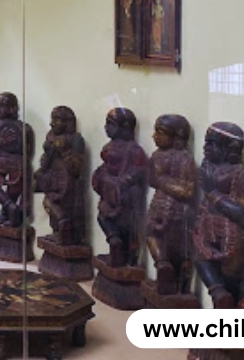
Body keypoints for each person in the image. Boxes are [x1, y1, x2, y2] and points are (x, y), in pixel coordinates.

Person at [194, 122, 244, 309]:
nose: (206, 147)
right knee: (202, 262)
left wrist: (213, 193)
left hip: (231, 235)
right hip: (208, 231)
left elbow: (242, 213)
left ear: (231, 149)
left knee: (233, 281)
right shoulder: (207, 169)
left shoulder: (243, 176)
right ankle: (219, 294)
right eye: (206, 142)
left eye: (212, 143)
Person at [146, 114, 196, 295]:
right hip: (160, 205)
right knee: (152, 236)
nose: (154, 136)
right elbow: (151, 180)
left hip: (177, 209)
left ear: (177, 136)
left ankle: (175, 280)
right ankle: (163, 266)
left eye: (160, 132)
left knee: (177, 248)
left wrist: (162, 180)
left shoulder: (184, 158)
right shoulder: (157, 156)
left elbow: (187, 191)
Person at [90, 108, 147, 267]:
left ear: (125, 127)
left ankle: (121, 250)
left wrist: (123, 181)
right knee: (107, 219)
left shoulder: (134, 149)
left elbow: (140, 171)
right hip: (112, 192)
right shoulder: (113, 147)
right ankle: (117, 246)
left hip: (125, 194)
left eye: (110, 124)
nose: (106, 127)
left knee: (119, 223)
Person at [34, 106, 88, 245]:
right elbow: (46, 161)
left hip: (68, 180)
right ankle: (59, 229)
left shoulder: (76, 139)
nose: (52, 124)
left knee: (60, 204)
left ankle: (65, 226)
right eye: (52, 119)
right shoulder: (51, 137)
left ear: (67, 122)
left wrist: (64, 151)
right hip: (53, 177)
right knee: (49, 201)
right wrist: (46, 158)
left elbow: (77, 168)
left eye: (56, 120)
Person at [0, 92, 34, 226]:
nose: (0, 109)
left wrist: (15, 149)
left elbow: (28, 150)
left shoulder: (24, 128)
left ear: (14, 108)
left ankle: (7, 213)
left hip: (15, 162)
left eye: (5, 106)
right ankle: (9, 207)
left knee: (14, 188)